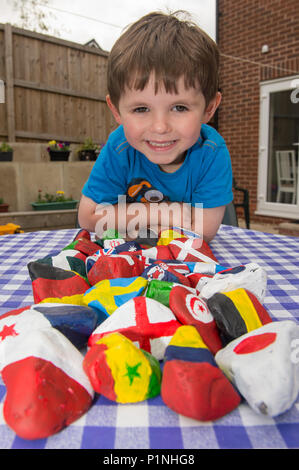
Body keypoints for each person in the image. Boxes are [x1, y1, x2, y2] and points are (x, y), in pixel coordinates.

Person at [78, 11, 233, 243]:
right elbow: (88, 216)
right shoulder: (119, 147)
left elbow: (205, 229)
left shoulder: (211, 152)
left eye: (179, 107)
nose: (160, 127)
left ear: (209, 109)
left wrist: (125, 220)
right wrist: (168, 213)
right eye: (141, 109)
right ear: (116, 111)